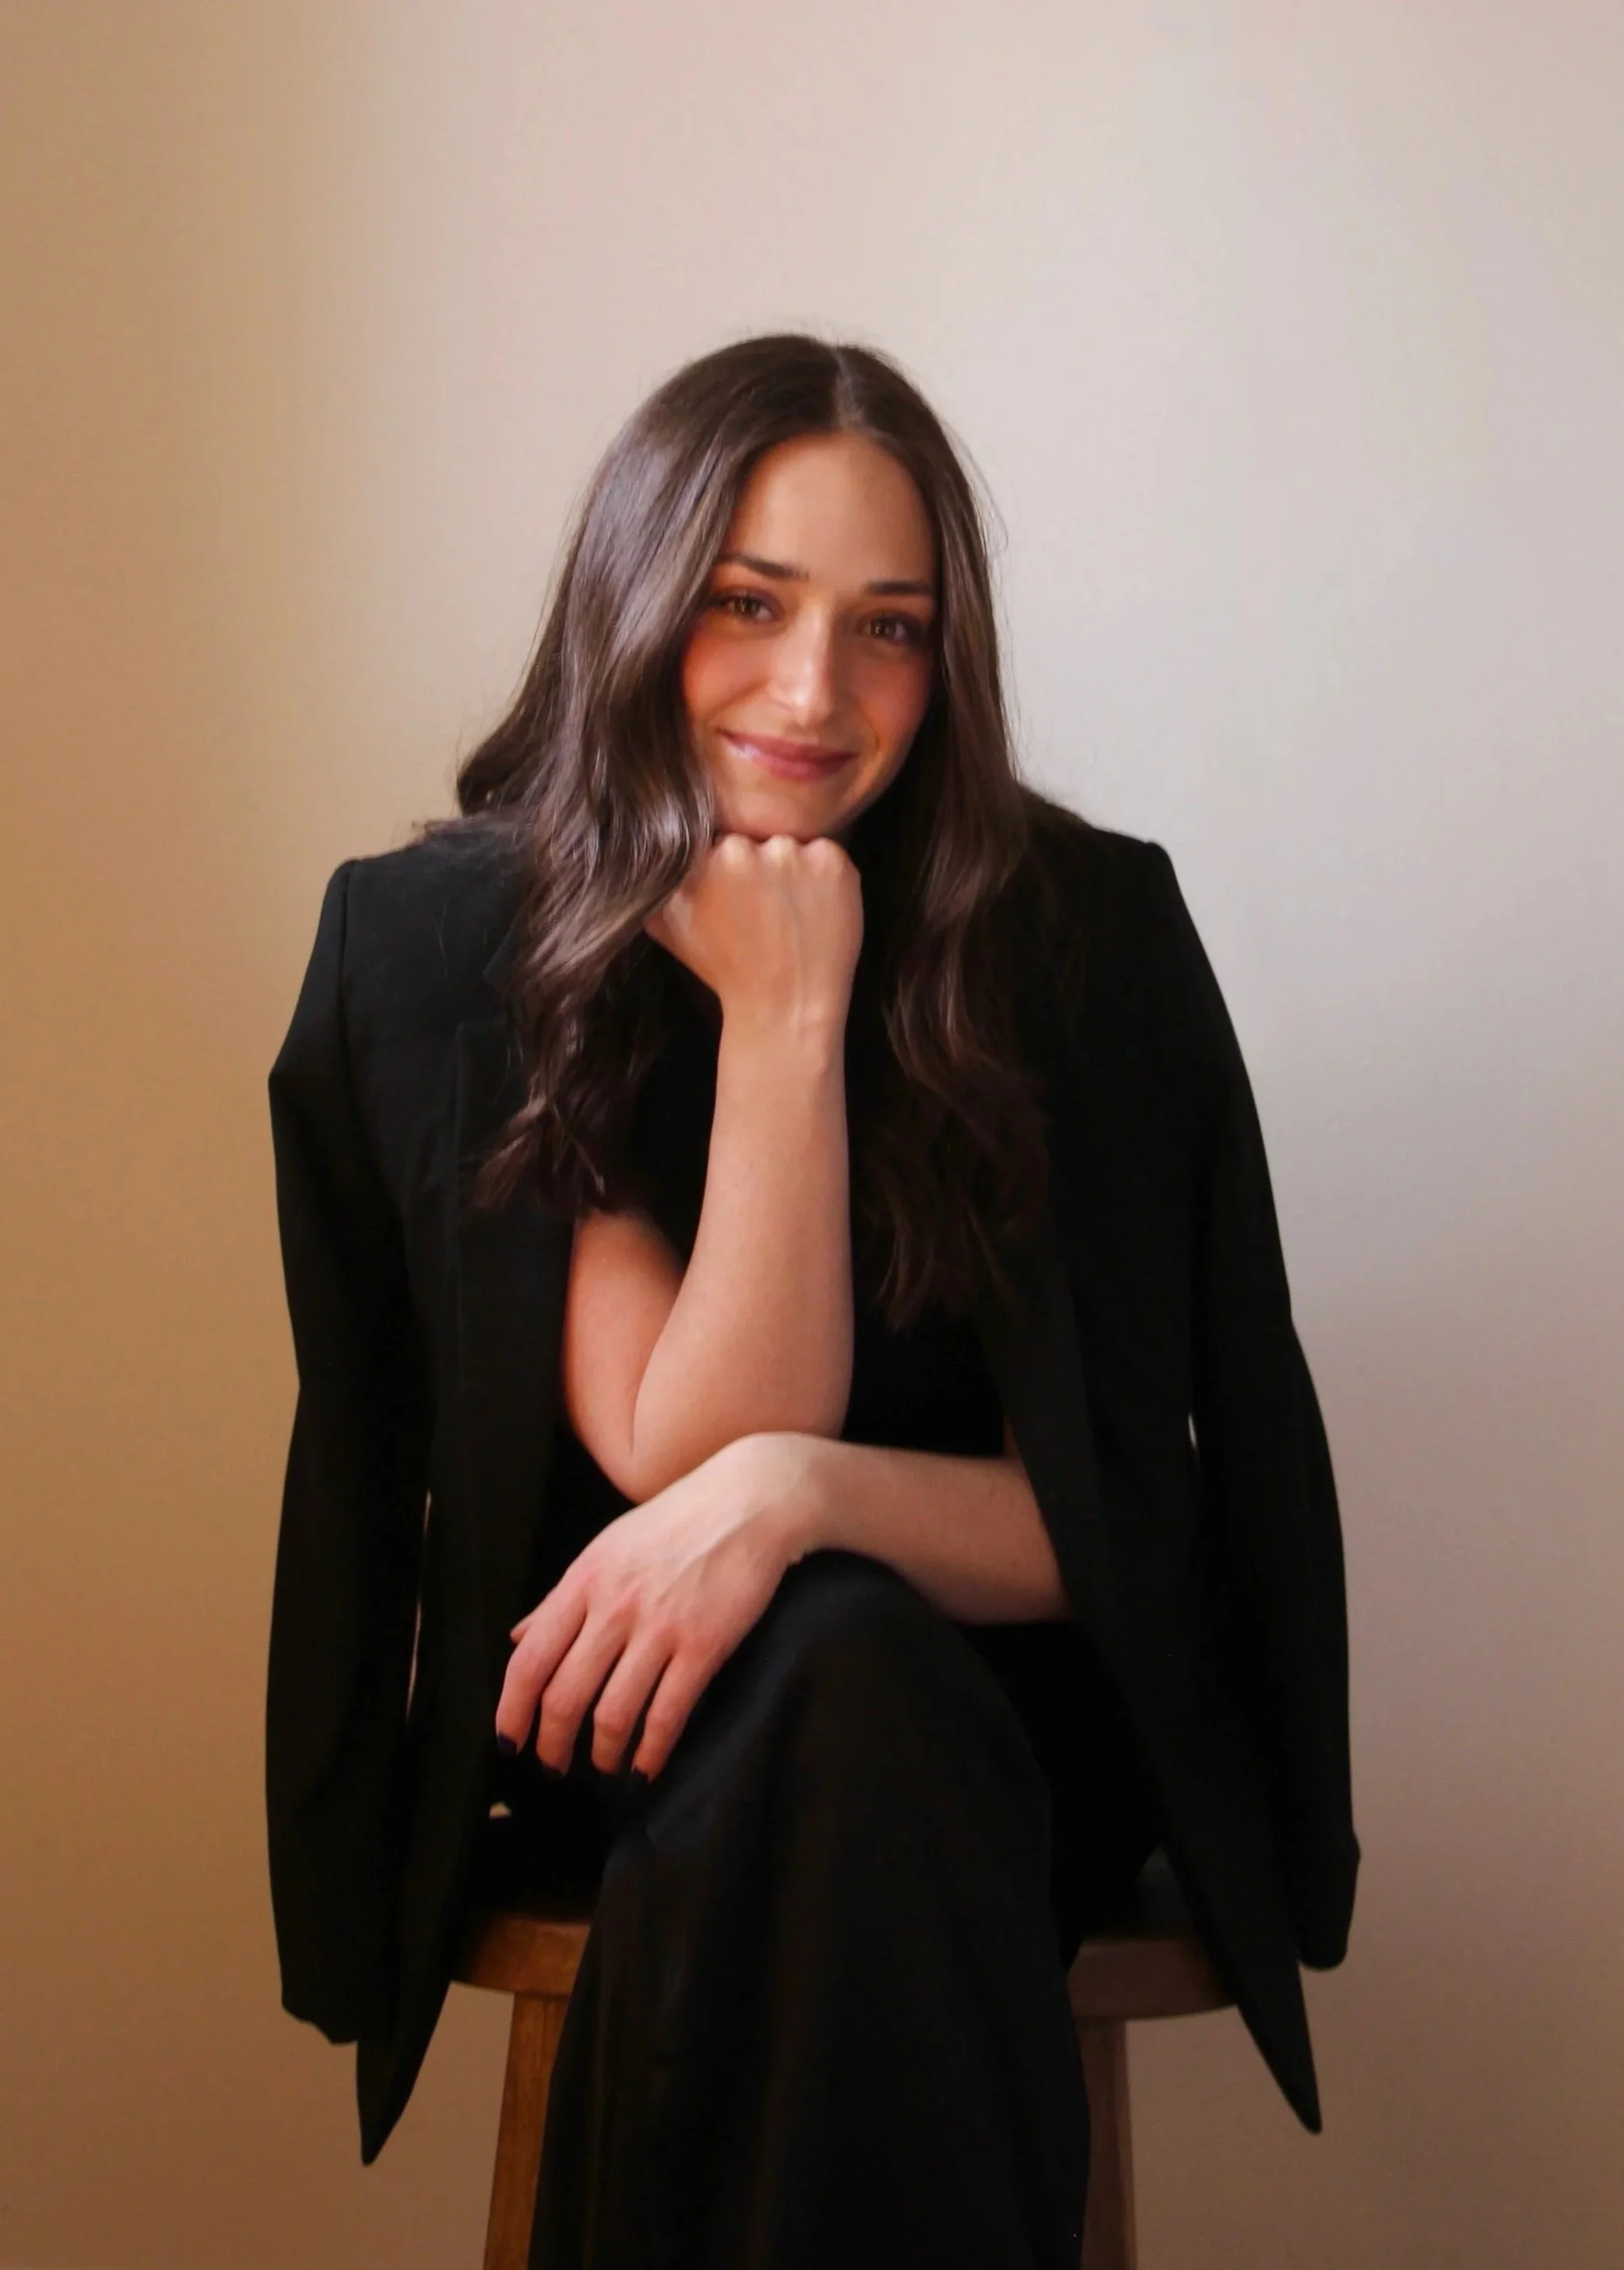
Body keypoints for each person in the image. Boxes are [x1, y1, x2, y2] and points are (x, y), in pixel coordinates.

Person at [265, 333, 1358, 2268]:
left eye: (888, 630)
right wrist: (781, 1019)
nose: (810, 692)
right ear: (635, 599)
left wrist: (806, 1501)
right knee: (819, 1698)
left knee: (847, 1669)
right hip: (612, 1733)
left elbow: (1103, 1516)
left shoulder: (1075, 941)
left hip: (1000, 1744)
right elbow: (673, 1441)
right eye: (745, 606)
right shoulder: (456, 947)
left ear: (950, 664)